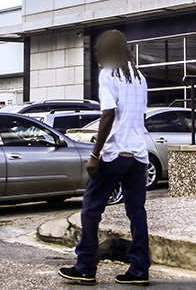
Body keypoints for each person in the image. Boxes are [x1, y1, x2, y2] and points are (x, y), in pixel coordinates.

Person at [60, 30, 151, 286]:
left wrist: (95, 154)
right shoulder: (139, 76)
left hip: (115, 153)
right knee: (136, 213)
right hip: (138, 155)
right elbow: (140, 117)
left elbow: (108, 115)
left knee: (90, 209)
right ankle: (139, 269)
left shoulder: (108, 73)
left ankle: (86, 266)